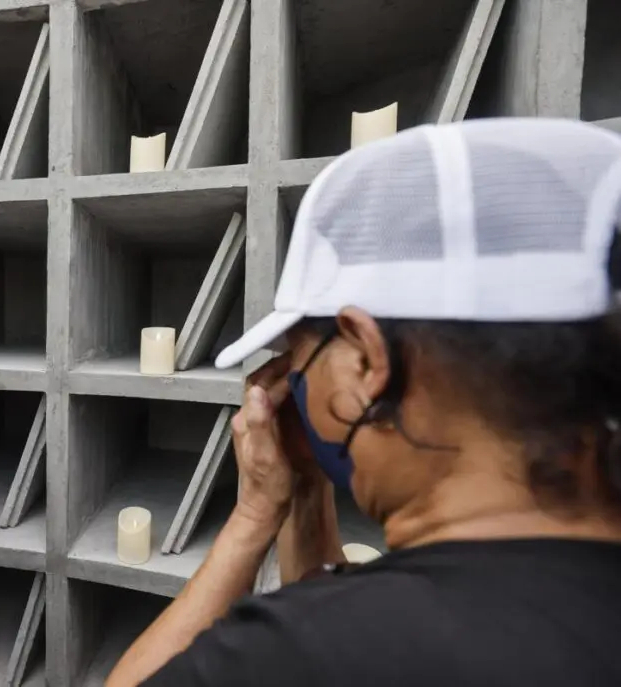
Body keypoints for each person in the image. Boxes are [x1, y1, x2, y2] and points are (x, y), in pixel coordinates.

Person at [106, 119, 621, 686]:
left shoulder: (301, 651)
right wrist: (306, 486)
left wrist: (253, 517)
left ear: (364, 360)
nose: (290, 381)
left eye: (297, 357)